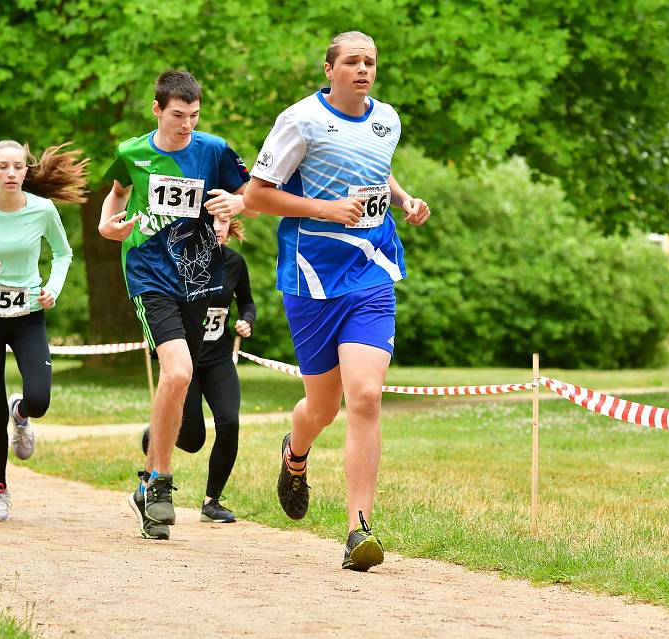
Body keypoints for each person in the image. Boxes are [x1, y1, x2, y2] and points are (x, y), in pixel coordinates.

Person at [243, 31, 431, 571]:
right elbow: (257, 194)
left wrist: (403, 198)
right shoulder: (300, 119)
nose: (362, 69)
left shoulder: (387, 118)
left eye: (370, 61)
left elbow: (376, 167)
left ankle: (358, 530)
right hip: (312, 277)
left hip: (371, 270)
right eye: (351, 61)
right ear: (330, 69)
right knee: (322, 407)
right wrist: (328, 210)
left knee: (366, 396)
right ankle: (295, 453)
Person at [98, 70, 254, 541]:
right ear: (157, 110)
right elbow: (117, 194)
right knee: (179, 371)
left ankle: (146, 485)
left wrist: (235, 203)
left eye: (194, 115)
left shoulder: (214, 149)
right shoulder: (131, 152)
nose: (187, 125)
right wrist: (108, 226)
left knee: (181, 381)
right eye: (178, 116)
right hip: (149, 278)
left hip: (199, 278)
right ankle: (158, 482)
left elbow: (250, 191)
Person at [0, 140, 89, 522]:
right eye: (4, 167)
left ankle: (22, 413)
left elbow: (63, 254)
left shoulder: (43, 210)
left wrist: (52, 289)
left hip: (27, 317)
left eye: (18, 167)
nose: (11, 173)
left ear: (27, 172)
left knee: (40, 398)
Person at [141, 215, 256, 524]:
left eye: (223, 222)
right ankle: (156, 434)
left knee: (229, 422)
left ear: (230, 229)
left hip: (218, 359)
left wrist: (247, 320)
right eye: (212, 222)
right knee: (191, 440)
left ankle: (212, 501)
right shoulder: (183, 262)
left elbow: (247, 302)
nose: (217, 228)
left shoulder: (235, 263)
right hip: (188, 359)